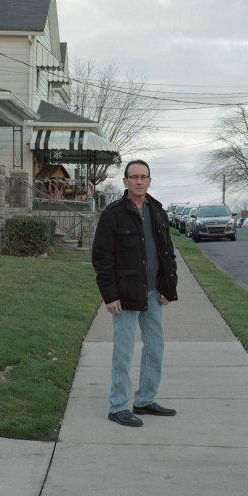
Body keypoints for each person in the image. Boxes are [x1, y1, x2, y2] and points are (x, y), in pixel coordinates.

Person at [92, 160, 178, 427]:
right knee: (124, 351)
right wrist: (110, 295)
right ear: (125, 181)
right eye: (134, 177)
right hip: (126, 295)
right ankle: (118, 406)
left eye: (143, 177)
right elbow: (102, 258)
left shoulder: (158, 211)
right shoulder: (113, 214)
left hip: (154, 294)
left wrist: (169, 288)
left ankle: (145, 400)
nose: (139, 181)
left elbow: (167, 254)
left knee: (155, 348)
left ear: (149, 180)